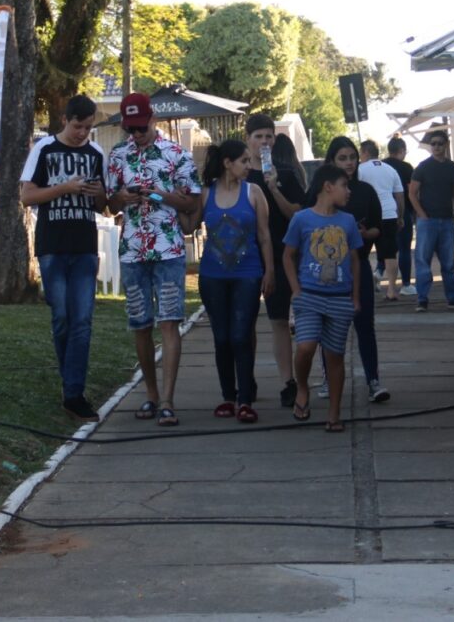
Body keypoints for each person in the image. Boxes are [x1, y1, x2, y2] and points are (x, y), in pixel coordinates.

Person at [107, 92, 201, 427]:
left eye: (141, 127)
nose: (136, 134)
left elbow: (192, 203)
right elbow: (110, 206)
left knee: (169, 322)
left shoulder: (177, 154)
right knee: (141, 324)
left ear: (153, 119)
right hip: (133, 250)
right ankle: (150, 393)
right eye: (130, 129)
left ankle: (167, 401)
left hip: (168, 250)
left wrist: (160, 196)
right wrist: (122, 197)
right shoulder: (118, 155)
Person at [20, 94, 107, 422]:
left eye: (87, 128)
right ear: (64, 120)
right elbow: (27, 196)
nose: (82, 133)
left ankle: (74, 393)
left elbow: (104, 206)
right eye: (77, 126)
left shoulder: (96, 153)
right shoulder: (44, 149)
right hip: (53, 246)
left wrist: (98, 194)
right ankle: (69, 381)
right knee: (61, 318)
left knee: (82, 320)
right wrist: (64, 188)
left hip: (84, 246)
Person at [199, 139, 275, 423]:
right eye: (243, 161)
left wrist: (269, 271)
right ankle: (227, 397)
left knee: (241, 336)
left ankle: (245, 400)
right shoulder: (206, 194)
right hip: (212, 277)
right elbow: (188, 224)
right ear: (227, 163)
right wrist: (163, 198)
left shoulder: (254, 192)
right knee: (221, 338)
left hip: (248, 275)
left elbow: (264, 236)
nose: (248, 165)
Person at [283, 164, 362, 432]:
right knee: (305, 347)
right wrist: (296, 290)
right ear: (328, 187)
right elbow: (288, 256)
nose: (348, 191)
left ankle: (334, 413)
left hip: (339, 298)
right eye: (344, 185)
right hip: (309, 296)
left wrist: (355, 297)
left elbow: (355, 260)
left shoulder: (348, 221)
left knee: (334, 356)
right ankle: (302, 387)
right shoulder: (302, 219)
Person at [244, 115, 306, 409]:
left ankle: (288, 382)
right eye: (258, 136)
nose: (264, 142)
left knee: (279, 320)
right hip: (246, 257)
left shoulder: (286, 175)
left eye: (269, 136)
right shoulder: (239, 176)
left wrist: (274, 188)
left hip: (281, 255)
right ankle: (246, 379)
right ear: (248, 140)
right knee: (245, 323)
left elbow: (296, 214)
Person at [324, 136, 389, 403]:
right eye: (343, 158)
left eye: (352, 157)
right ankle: (329, 379)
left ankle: (373, 379)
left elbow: (378, 228)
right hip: (329, 268)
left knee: (364, 324)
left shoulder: (365, 191)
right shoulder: (322, 191)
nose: (349, 163)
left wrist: (364, 234)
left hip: (359, 264)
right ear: (332, 161)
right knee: (329, 327)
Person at [408, 129, 454, 313]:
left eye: (439, 143)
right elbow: (412, 193)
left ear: (446, 144)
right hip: (427, 221)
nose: (436, 147)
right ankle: (422, 299)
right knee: (423, 261)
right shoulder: (422, 167)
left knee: (449, 263)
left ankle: (453, 298)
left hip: (447, 220)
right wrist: (422, 214)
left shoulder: (452, 167)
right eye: (433, 144)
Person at [357, 139, 404, 303]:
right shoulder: (390, 169)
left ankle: (363, 289)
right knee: (390, 254)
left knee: (362, 254)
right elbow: (399, 196)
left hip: (368, 216)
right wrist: (400, 217)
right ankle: (391, 289)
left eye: (360, 153)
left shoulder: (360, 169)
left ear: (365, 152)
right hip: (389, 214)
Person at [380, 137, 416, 296]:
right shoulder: (406, 167)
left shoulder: (381, 165)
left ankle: (378, 272)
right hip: (402, 211)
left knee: (387, 247)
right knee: (404, 249)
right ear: (401, 150)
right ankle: (406, 284)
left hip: (383, 211)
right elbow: (411, 191)